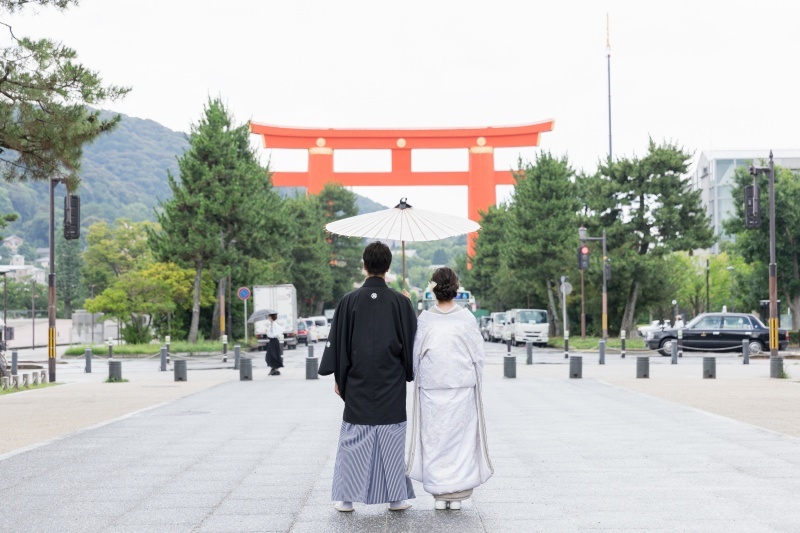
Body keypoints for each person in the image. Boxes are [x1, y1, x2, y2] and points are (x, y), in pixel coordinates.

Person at [319, 241, 417, 513]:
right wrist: (408, 306)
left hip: (358, 380)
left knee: (353, 439)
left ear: (364, 266)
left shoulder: (348, 301)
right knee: (391, 438)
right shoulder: (399, 302)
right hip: (391, 381)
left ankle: (345, 499)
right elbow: (412, 342)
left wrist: (339, 376)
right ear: (388, 267)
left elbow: (339, 342)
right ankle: (396, 498)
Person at [406, 267, 493, 511]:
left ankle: (439, 493)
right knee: (460, 440)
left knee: (434, 440)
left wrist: (416, 375)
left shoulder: (425, 319)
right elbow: (478, 356)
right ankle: (457, 493)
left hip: (432, 389)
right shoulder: (466, 318)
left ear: (433, 289)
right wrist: (477, 378)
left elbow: (416, 355)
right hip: (461, 387)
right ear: (455, 288)